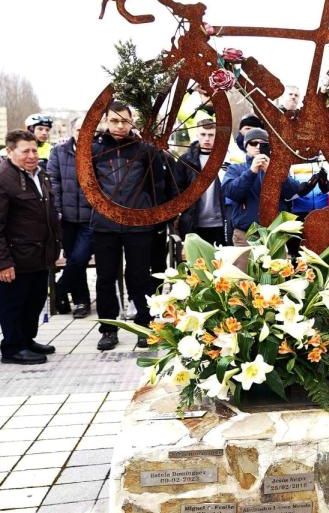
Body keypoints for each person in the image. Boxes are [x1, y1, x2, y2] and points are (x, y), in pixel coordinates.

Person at [91, 102, 176, 351]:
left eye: (124, 121)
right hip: (105, 225)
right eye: (114, 120)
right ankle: (108, 329)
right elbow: (87, 187)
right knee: (105, 278)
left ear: (132, 122)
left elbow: (158, 187)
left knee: (140, 276)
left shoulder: (145, 150)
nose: (119, 126)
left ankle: (143, 325)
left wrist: (158, 220)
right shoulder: (93, 150)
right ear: (105, 121)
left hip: (139, 225)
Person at [0, 130, 60, 364]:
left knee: (34, 301)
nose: (32, 155)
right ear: (9, 151)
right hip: (16, 258)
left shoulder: (40, 174)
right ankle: (13, 347)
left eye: (34, 150)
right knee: (13, 304)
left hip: (38, 255)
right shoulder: (4, 178)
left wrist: (55, 249)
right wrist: (3, 262)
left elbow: (49, 215)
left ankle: (26, 340)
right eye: (25, 151)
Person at [221, 128, 321, 251]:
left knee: (277, 270)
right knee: (243, 270)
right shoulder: (235, 169)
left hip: (275, 235)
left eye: (263, 144)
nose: (258, 147)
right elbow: (231, 192)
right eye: (253, 143)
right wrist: (251, 172)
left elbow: (292, 191)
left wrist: (272, 172)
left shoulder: (277, 168)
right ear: (246, 146)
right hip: (245, 235)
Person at [47, 117, 93, 319]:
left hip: (90, 218)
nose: (83, 133)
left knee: (80, 257)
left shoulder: (97, 151)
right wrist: (57, 211)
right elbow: (53, 183)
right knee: (75, 260)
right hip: (66, 219)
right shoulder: (59, 151)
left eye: (87, 129)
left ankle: (58, 288)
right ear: (72, 130)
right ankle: (81, 301)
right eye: (79, 129)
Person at [175, 119, 231, 246]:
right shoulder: (185, 161)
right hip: (194, 223)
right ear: (197, 135)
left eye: (211, 135)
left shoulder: (226, 159)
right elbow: (177, 190)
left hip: (221, 224)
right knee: (197, 264)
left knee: (221, 264)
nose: (207, 139)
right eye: (203, 134)